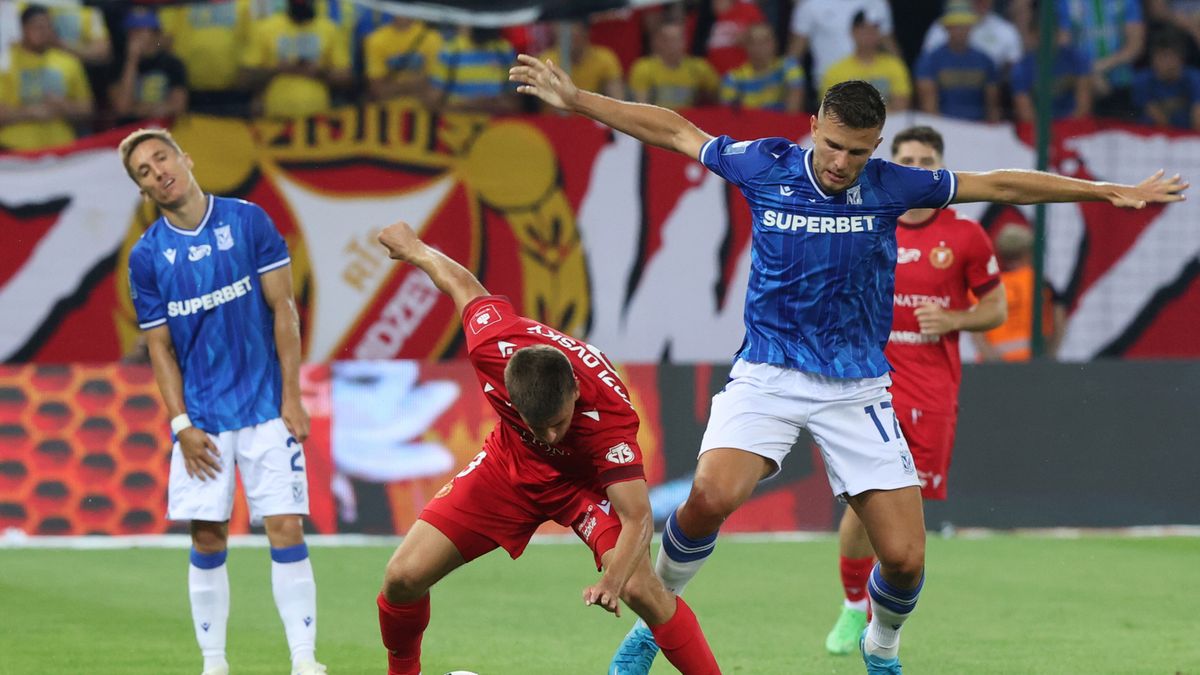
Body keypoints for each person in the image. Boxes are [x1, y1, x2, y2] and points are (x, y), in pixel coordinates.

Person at [508, 56, 1186, 675]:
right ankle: (655, 625)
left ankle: (880, 647)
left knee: (906, 558)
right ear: (813, 127)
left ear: (876, 146)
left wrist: (1106, 192)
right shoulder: (765, 165)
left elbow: (1000, 182)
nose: (840, 162)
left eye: (858, 152)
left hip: (856, 387)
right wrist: (579, 100)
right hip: (769, 374)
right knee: (710, 497)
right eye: (832, 145)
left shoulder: (893, 185)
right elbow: (675, 131)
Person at [373, 220, 720, 675]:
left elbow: (637, 517)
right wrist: (416, 249)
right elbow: (462, 285)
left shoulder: (609, 419)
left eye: (558, 424)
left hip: (584, 487)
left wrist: (612, 581)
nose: (551, 436)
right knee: (401, 578)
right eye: (539, 426)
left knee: (643, 591)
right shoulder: (492, 344)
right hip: (509, 466)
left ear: (574, 389)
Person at [121, 128, 326, 675]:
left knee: (286, 527)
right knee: (208, 536)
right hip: (204, 422)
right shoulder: (147, 257)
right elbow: (159, 348)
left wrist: (292, 396)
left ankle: (304, 660)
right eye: (145, 171)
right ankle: (214, 664)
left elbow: (284, 310)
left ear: (185, 158)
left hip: (266, 408)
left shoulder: (248, 221)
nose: (158, 171)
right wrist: (181, 425)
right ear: (144, 190)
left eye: (162, 158)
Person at [823, 125, 1007, 656]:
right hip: (866, 385)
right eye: (907, 158)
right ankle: (854, 608)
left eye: (927, 160)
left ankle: (877, 618)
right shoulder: (864, 219)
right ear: (891, 163)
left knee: (903, 512)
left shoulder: (965, 235)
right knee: (863, 503)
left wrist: (954, 318)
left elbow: (996, 308)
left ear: (939, 167)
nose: (917, 167)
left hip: (932, 390)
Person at [0, 4, 93, 151]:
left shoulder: (69, 62)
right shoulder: (5, 63)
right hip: (15, 149)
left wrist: (65, 106)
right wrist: (30, 112)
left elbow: (88, 109)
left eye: (47, 26)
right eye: (37, 27)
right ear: (23, 29)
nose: (43, 32)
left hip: (62, 147)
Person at [915, 1, 1000, 122]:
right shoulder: (930, 61)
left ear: (971, 27)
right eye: (955, 26)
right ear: (946, 28)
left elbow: (992, 107)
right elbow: (929, 106)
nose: (960, 31)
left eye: (964, 26)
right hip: (943, 124)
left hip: (978, 126)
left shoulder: (985, 61)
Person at [109, 9, 189, 124]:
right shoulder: (119, 65)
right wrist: (132, 61)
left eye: (139, 31)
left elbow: (177, 106)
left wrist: (138, 109)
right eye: (131, 31)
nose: (134, 36)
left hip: (163, 127)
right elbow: (123, 108)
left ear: (155, 34)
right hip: (129, 128)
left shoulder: (172, 64)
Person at [822, 11, 911, 111]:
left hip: (889, 119)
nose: (869, 34)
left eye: (874, 29)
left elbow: (901, 104)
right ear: (853, 32)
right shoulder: (835, 71)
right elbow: (831, 109)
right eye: (864, 29)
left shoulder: (895, 66)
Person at [629, 21, 719, 110]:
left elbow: (718, 99)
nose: (673, 44)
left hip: (688, 118)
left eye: (678, 39)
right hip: (656, 117)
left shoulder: (699, 68)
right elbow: (641, 108)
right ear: (657, 42)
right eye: (667, 40)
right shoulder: (644, 68)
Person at [719, 23, 805, 113]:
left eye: (765, 41)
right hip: (748, 122)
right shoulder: (733, 78)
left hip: (781, 121)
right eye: (753, 42)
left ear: (775, 43)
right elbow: (726, 114)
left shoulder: (789, 67)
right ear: (745, 46)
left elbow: (794, 107)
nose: (759, 47)